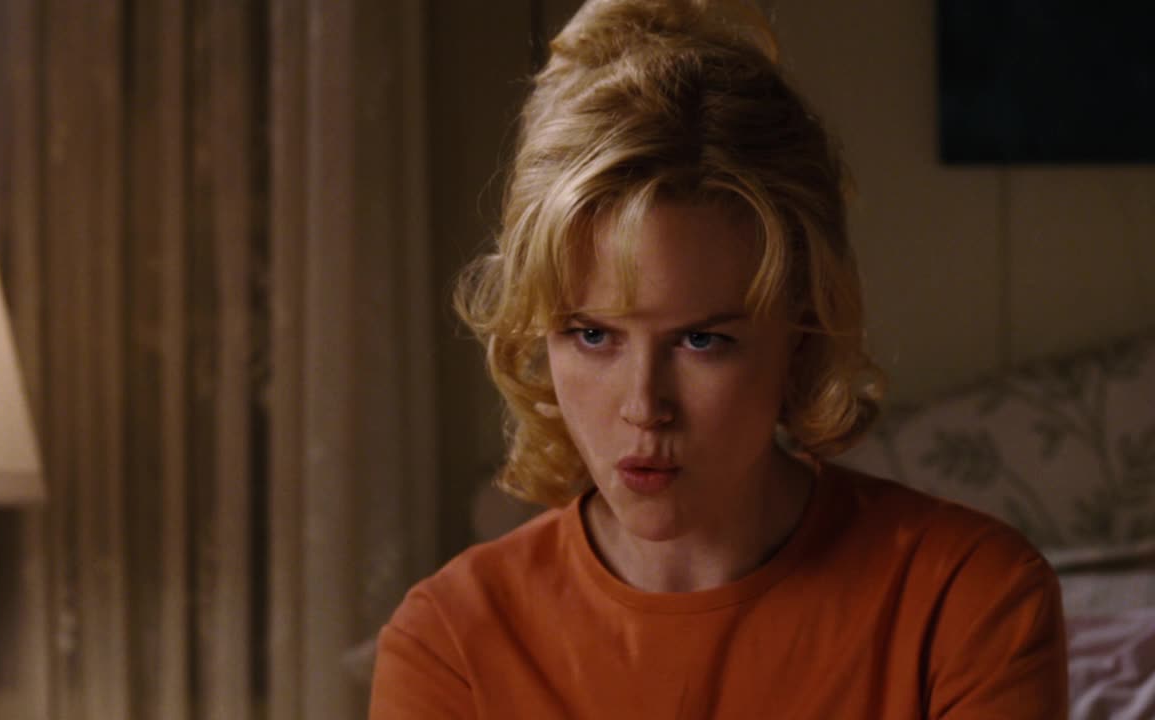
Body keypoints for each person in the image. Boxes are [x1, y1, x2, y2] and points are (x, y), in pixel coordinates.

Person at [370, 0, 1068, 717]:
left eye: (701, 341)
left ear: (801, 332)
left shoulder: (967, 601)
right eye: (593, 336)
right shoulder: (450, 644)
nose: (644, 406)